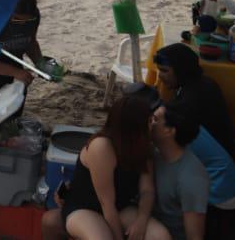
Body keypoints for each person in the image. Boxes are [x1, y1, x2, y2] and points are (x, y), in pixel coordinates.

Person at [47, 95, 163, 240]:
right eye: (150, 120)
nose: (152, 124)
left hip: (121, 206)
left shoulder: (143, 146)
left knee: (159, 236)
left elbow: (147, 191)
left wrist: (141, 221)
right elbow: (106, 203)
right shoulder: (102, 146)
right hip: (85, 207)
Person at [153, 43, 235, 158]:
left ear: (181, 70)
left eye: (164, 70)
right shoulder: (200, 82)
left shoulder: (192, 97)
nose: (160, 76)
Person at [150, 103, 209, 240]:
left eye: (155, 119)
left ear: (169, 130)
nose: (150, 122)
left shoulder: (192, 178)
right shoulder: (155, 153)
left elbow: (194, 236)